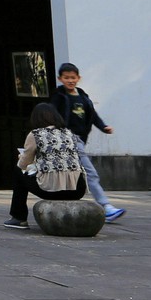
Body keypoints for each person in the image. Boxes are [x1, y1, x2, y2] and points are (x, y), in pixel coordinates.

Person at [51, 62, 125, 223]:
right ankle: (106, 207)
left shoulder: (83, 97)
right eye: (66, 78)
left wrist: (103, 127)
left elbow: (93, 115)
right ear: (60, 79)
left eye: (73, 77)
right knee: (90, 172)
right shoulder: (58, 97)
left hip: (81, 139)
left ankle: (66, 206)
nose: (70, 80)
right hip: (69, 139)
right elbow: (52, 115)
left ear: (78, 78)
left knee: (72, 174)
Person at [4, 102, 87, 228]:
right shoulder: (69, 133)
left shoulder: (35, 134)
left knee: (17, 172)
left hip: (51, 189)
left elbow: (24, 164)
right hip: (77, 189)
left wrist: (21, 157)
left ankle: (18, 217)